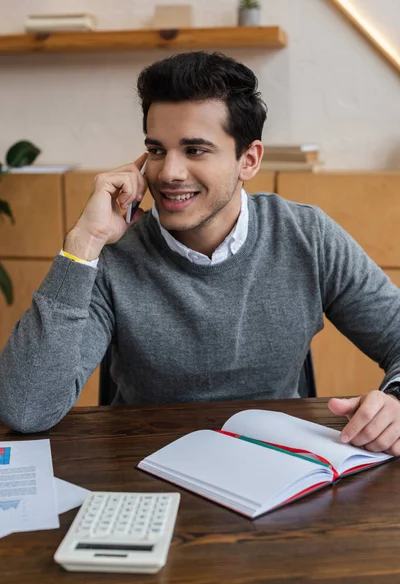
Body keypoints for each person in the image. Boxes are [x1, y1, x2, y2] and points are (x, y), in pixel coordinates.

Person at [1, 51, 400, 455]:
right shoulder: (111, 253)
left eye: (195, 150)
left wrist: (396, 402)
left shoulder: (307, 236)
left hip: (276, 469)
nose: (168, 173)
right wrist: (82, 245)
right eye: (156, 150)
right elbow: (25, 410)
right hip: (146, 469)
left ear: (248, 160)